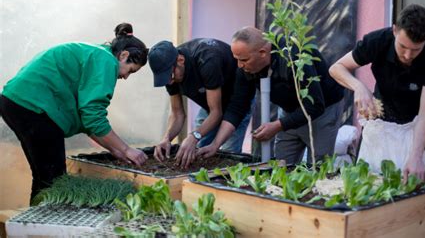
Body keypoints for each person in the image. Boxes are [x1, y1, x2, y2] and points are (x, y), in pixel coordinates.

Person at [0, 23, 149, 202]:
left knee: (45, 177)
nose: (125, 77)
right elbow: (93, 116)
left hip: (15, 101)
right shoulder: (106, 61)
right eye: (130, 70)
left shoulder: (97, 54)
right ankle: (43, 226)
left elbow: (87, 120)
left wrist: (115, 149)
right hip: (33, 107)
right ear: (123, 55)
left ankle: (34, 224)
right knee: (54, 180)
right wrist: (126, 149)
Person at [329, 4, 425, 182]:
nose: (408, 55)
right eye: (403, 47)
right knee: (369, 182)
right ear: (394, 30)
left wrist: (415, 156)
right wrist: (358, 86)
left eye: (416, 50)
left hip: (419, 128)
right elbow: (336, 68)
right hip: (383, 123)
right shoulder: (377, 41)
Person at [197, 27, 345, 164]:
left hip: (322, 111)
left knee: (317, 165)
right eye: (236, 59)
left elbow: (315, 105)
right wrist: (215, 145)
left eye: (243, 60)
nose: (239, 65)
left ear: (262, 52)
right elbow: (237, 107)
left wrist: (277, 125)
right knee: (281, 164)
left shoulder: (294, 58)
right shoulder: (245, 68)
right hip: (289, 111)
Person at [148, 38, 250, 168]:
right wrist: (166, 138)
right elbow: (178, 114)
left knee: (228, 157)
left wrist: (194, 136)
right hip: (210, 104)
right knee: (198, 153)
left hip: (235, 102)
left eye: (171, 76)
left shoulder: (207, 60)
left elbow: (216, 112)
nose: (169, 82)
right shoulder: (169, 70)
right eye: (165, 79)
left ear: (180, 60)